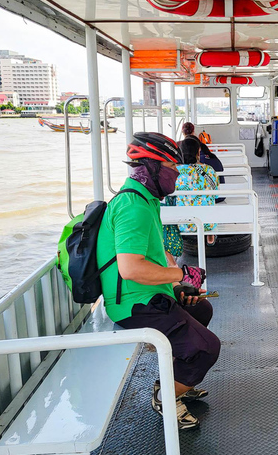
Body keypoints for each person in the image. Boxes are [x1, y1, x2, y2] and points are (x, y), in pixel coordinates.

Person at [96, 132, 220, 430]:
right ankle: (166, 395)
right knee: (207, 348)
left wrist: (177, 286)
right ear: (152, 167)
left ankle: (175, 379)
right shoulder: (133, 207)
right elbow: (131, 269)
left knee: (202, 310)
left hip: (147, 294)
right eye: (173, 169)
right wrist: (181, 275)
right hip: (133, 304)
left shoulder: (145, 199)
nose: (177, 176)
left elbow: (157, 252)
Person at [173, 137, 220, 244]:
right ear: (198, 152)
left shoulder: (176, 171)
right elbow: (216, 196)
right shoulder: (209, 170)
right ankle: (210, 233)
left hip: (183, 223)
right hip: (208, 223)